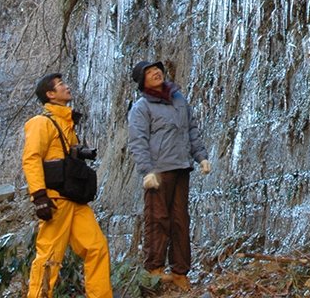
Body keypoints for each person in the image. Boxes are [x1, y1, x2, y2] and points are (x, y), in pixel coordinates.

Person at [22, 72, 113, 298]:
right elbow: (31, 158)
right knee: (49, 256)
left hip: (74, 199)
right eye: (61, 85)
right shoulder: (40, 122)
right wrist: (39, 196)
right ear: (50, 95)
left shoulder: (67, 124)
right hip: (55, 199)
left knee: (96, 247)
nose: (67, 87)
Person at [127, 60, 211, 291]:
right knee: (157, 219)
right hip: (158, 171)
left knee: (180, 220)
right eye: (149, 72)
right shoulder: (142, 107)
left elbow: (191, 129)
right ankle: (154, 270)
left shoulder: (179, 100)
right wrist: (146, 171)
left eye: (157, 69)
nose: (156, 72)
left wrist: (201, 156)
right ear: (142, 82)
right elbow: (138, 141)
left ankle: (179, 271)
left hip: (182, 166)